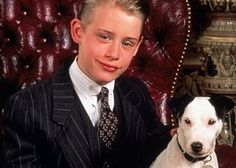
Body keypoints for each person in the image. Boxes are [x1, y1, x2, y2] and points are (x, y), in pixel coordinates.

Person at [1, 0, 171, 167]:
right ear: (78, 31)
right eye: (104, 37)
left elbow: (162, 146)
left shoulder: (135, 92)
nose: (114, 54)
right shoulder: (27, 107)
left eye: (127, 43)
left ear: (137, 47)